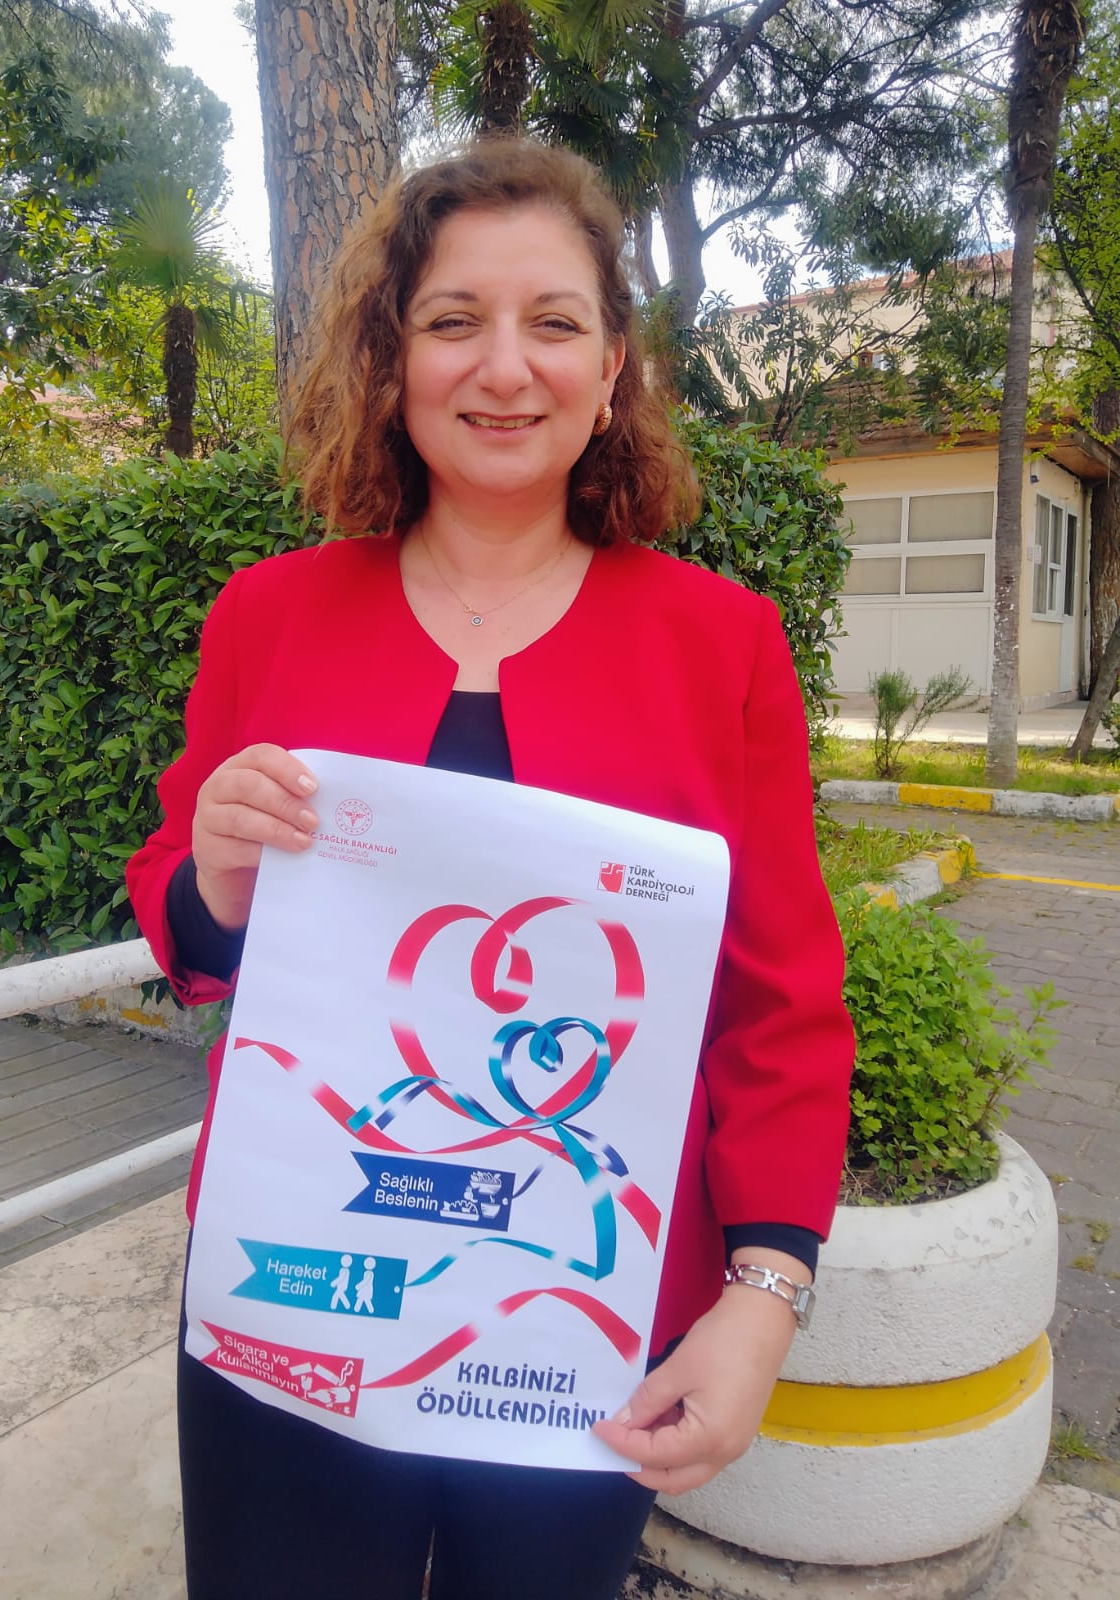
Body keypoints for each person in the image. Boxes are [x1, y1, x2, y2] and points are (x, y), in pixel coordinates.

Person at [126, 138, 853, 1600]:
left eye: (553, 323)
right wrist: (214, 876)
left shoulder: (720, 645)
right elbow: (189, 924)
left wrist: (764, 1297)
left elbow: (781, 1002)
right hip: (299, 1285)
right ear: (392, 360)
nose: (504, 368)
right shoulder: (267, 615)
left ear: (612, 368)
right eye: (453, 320)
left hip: (579, 1324)